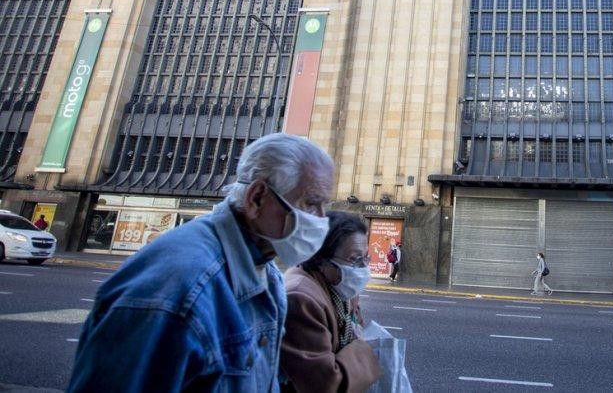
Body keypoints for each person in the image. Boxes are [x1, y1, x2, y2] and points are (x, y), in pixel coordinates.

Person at [67, 133, 335, 392]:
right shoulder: (178, 290)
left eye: (324, 206)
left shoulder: (266, 269)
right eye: (311, 204)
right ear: (257, 198)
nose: (322, 219)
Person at [281, 212, 381, 393]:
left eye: (365, 258)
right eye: (353, 259)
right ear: (321, 260)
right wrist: (367, 353)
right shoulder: (300, 297)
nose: (362, 269)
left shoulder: (343, 287)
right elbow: (325, 385)